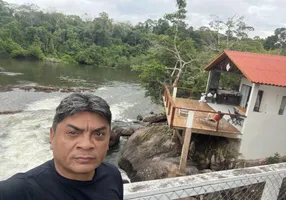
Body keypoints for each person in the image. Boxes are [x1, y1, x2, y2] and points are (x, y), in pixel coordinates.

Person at [0, 93, 123, 200]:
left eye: (99, 134)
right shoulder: (15, 192)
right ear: (52, 137)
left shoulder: (112, 175)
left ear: (108, 140)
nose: (86, 145)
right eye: (72, 133)